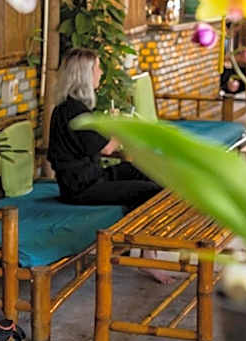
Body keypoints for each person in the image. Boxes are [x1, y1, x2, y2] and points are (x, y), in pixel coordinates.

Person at [47, 48, 172, 283]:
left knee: (147, 172)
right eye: (97, 68)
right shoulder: (73, 111)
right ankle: (146, 257)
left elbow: (98, 144)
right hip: (81, 188)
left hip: (94, 176)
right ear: (85, 75)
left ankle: (143, 248)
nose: (101, 73)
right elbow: (107, 148)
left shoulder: (74, 107)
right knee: (151, 192)